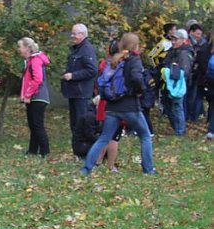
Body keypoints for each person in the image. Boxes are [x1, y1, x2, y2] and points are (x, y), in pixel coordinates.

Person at [81, 33, 155, 175]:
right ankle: (149, 169)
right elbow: (137, 78)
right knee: (145, 136)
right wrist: (141, 90)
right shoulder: (134, 60)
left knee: (104, 138)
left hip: (111, 106)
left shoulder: (114, 60)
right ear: (135, 45)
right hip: (130, 106)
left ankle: (86, 169)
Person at [61, 23, 98, 150]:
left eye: (75, 33)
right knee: (75, 123)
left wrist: (73, 75)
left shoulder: (87, 49)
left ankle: (85, 149)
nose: (72, 36)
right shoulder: (77, 49)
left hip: (82, 93)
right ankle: (77, 148)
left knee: (81, 122)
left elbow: (92, 70)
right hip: (74, 92)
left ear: (82, 34)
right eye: (72, 33)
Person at [18, 37, 51, 157]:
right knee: (33, 124)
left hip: (37, 97)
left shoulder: (35, 60)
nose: (19, 49)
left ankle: (45, 151)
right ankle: (32, 150)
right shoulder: (30, 60)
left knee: (37, 124)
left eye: (20, 47)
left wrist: (28, 94)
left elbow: (38, 79)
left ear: (27, 48)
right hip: (34, 97)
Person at [161, 29, 193, 136]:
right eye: (172, 40)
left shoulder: (184, 53)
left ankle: (180, 131)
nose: (173, 42)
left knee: (177, 107)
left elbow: (185, 71)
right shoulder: (173, 51)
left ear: (183, 40)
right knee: (170, 107)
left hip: (178, 85)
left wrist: (170, 73)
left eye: (176, 40)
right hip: (170, 84)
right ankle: (177, 128)